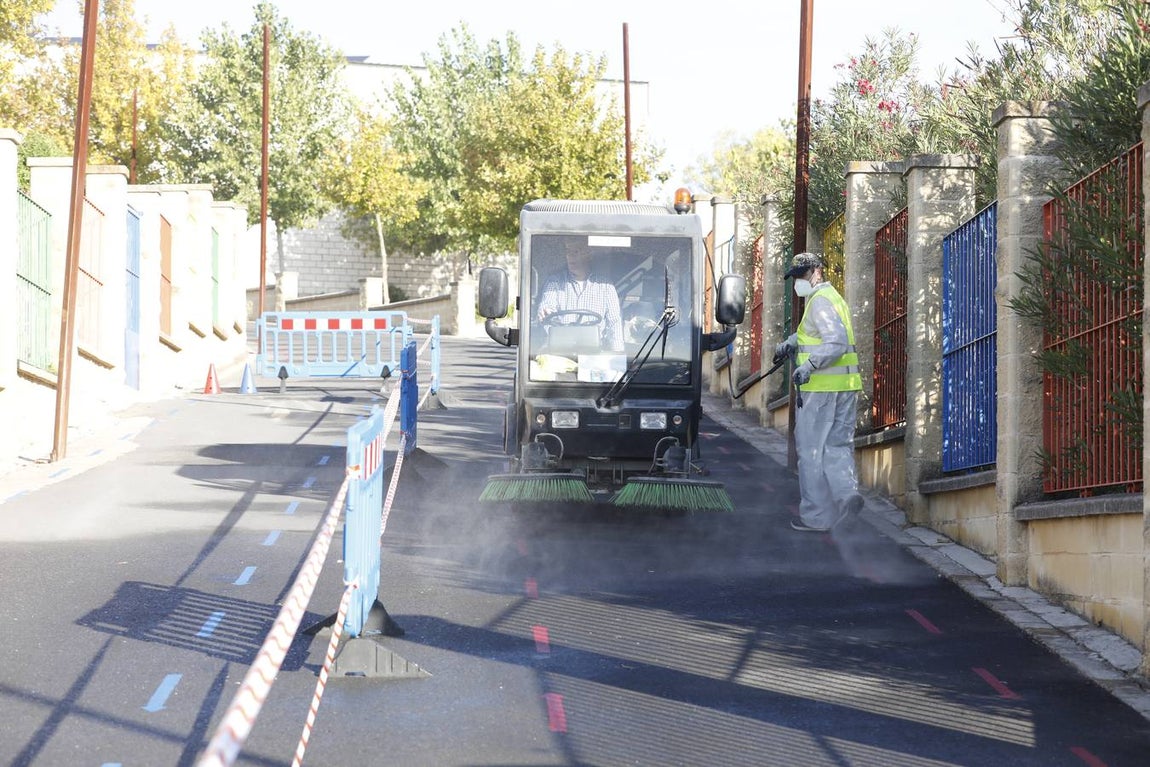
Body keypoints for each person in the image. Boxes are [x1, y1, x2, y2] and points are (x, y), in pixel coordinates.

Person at [775, 252, 866, 532]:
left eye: (803, 275)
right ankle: (846, 495)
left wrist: (809, 365)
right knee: (837, 446)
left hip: (821, 391)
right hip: (845, 388)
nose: (798, 282)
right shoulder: (832, 298)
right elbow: (815, 336)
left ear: (817, 271)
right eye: (796, 277)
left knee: (811, 451)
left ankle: (816, 517)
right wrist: (792, 342)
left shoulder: (819, 302)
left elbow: (835, 342)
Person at [536, 238, 624, 351]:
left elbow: (614, 323)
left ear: (589, 255)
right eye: (568, 252)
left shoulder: (606, 286)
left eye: (576, 252)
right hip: (559, 352)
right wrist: (545, 311)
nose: (571, 256)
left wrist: (616, 359)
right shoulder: (555, 282)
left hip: (594, 354)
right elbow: (547, 305)